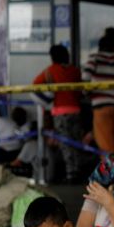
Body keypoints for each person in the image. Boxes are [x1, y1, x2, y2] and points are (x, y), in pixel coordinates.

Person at [34, 44, 85, 182]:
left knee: (65, 143)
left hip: (60, 113)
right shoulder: (75, 71)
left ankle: (71, 174)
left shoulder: (51, 71)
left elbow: (35, 84)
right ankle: (78, 171)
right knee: (76, 142)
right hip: (76, 111)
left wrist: (49, 91)